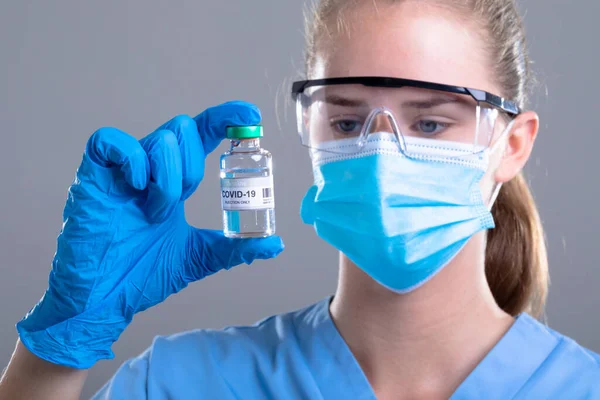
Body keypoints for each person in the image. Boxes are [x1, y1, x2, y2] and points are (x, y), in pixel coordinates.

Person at [1, 0, 599, 398]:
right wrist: (59, 346)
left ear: (512, 143)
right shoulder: (184, 384)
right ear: (307, 129)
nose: (383, 156)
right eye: (346, 123)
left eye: (431, 124)